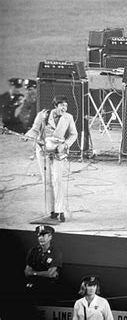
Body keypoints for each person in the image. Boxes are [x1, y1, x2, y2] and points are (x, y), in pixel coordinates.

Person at [25, 94, 78, 222]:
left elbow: (73, 134)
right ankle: (51, 211)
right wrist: (27, 136)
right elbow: (34, 130)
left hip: (57, 151)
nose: (64, 108)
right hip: (42, 149)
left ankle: (60, 211)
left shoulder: (68, 118)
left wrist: (64, 145)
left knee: (57, 180)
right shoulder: (42, 115)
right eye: (62, 105)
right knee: (47, 180)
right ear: (55, 105)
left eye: (66, 106)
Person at [24, 225, 63, 302]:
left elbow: (50, 274)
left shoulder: (56, 252)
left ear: (50, 237)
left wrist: (34, 273)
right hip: (33, 286)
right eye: (39, 236)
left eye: (43, 235)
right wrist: (42, 273)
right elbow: (27, 272)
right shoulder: (33, 251)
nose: (41, 238)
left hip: (48, 288)